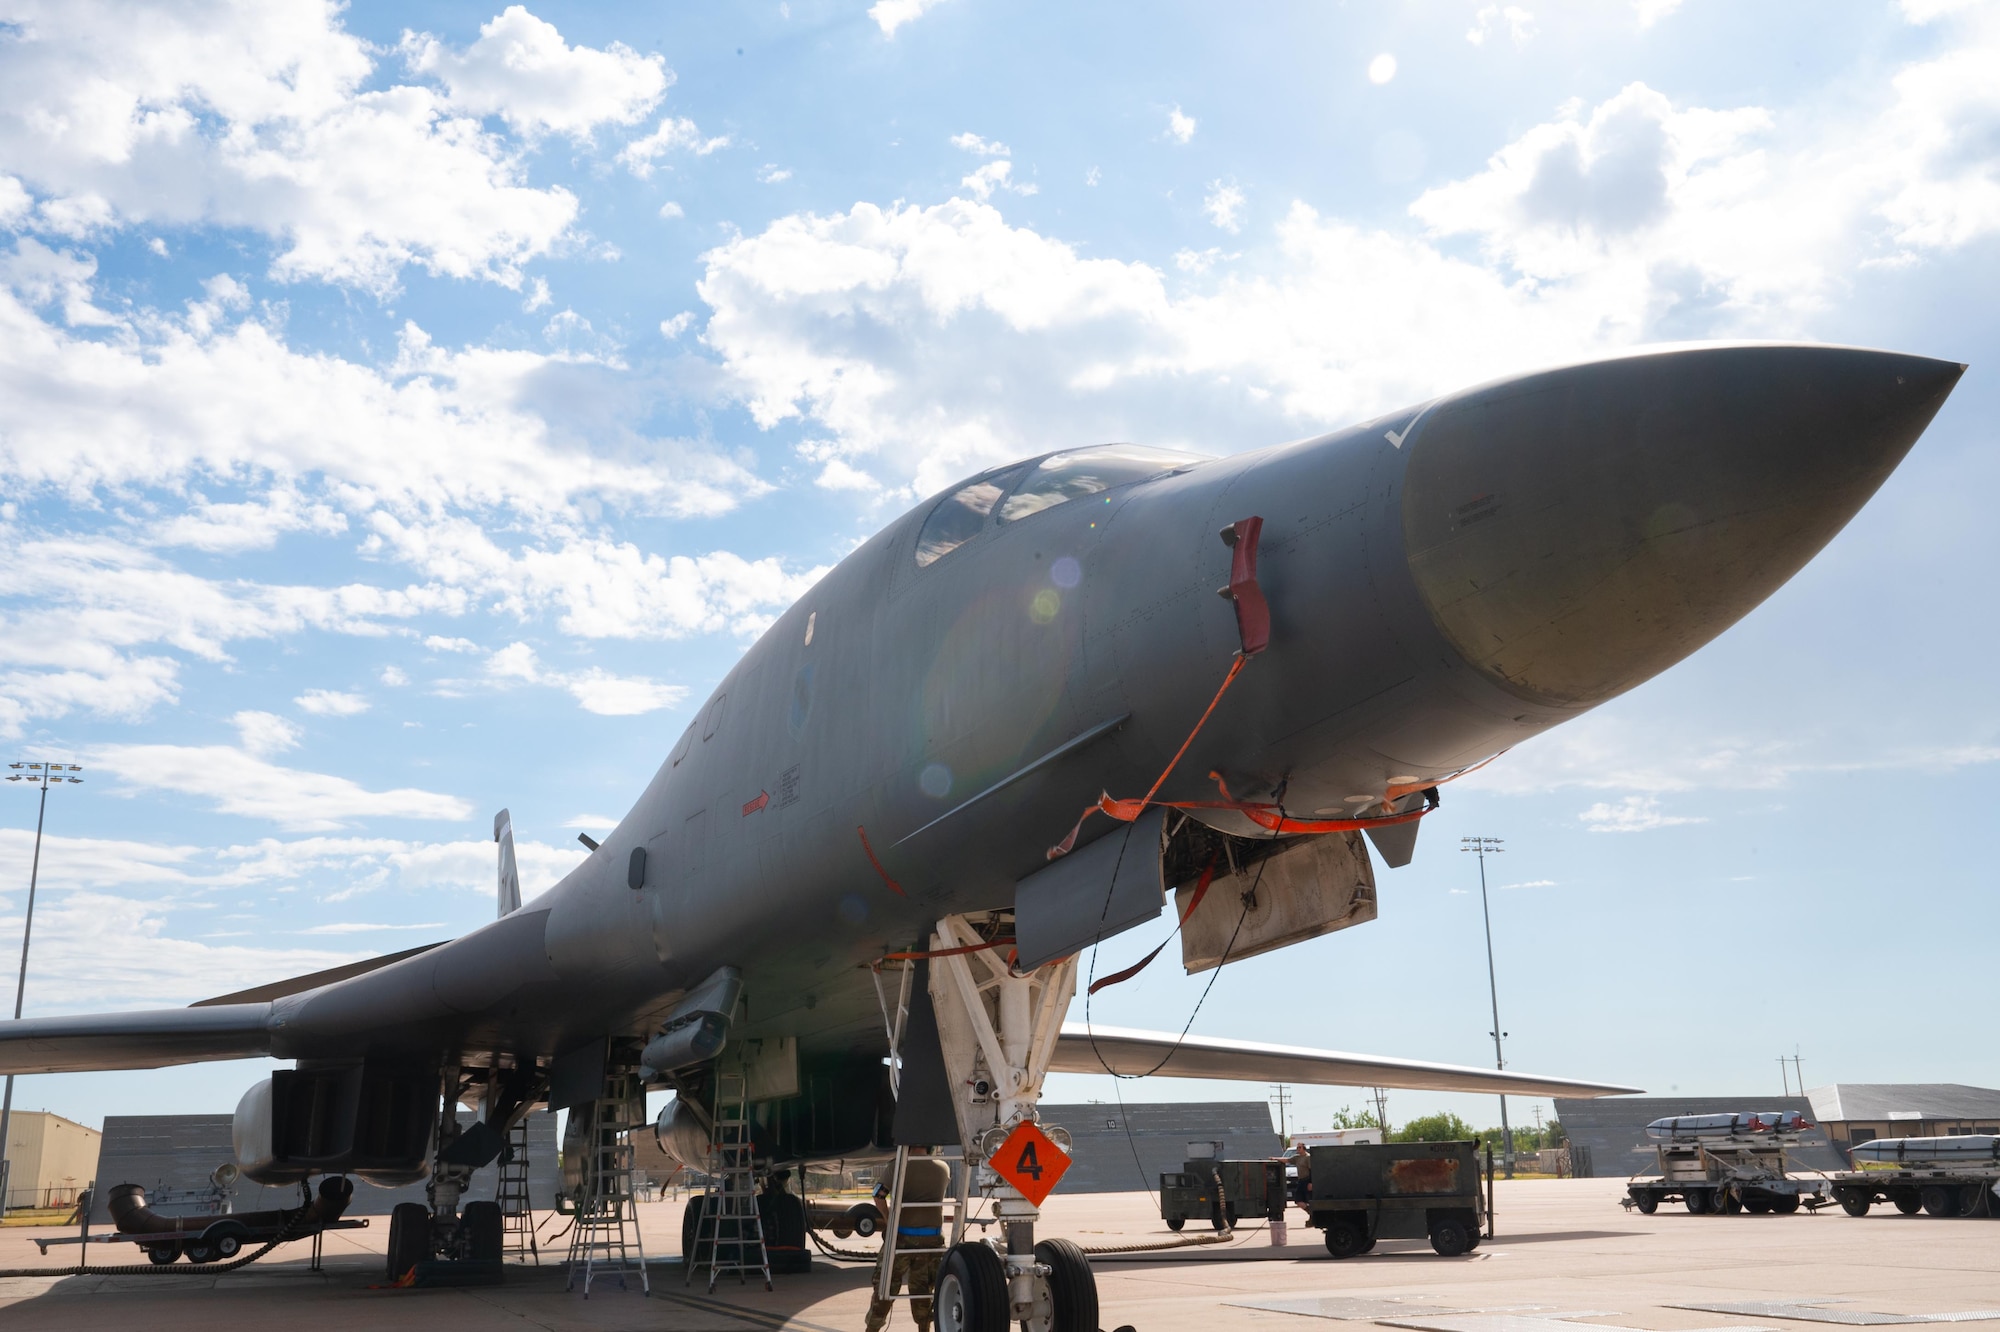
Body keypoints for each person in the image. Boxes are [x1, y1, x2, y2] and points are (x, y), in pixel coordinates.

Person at [864, 1149, 953, 1332]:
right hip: (932, 1239)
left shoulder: (897, 1165)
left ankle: (872, 1329)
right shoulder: (943, 1168)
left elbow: (878, 1195)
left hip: (902, 1238)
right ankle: (924, 1328)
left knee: (885, 1287)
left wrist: (890, 1222)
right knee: (923, 1289)